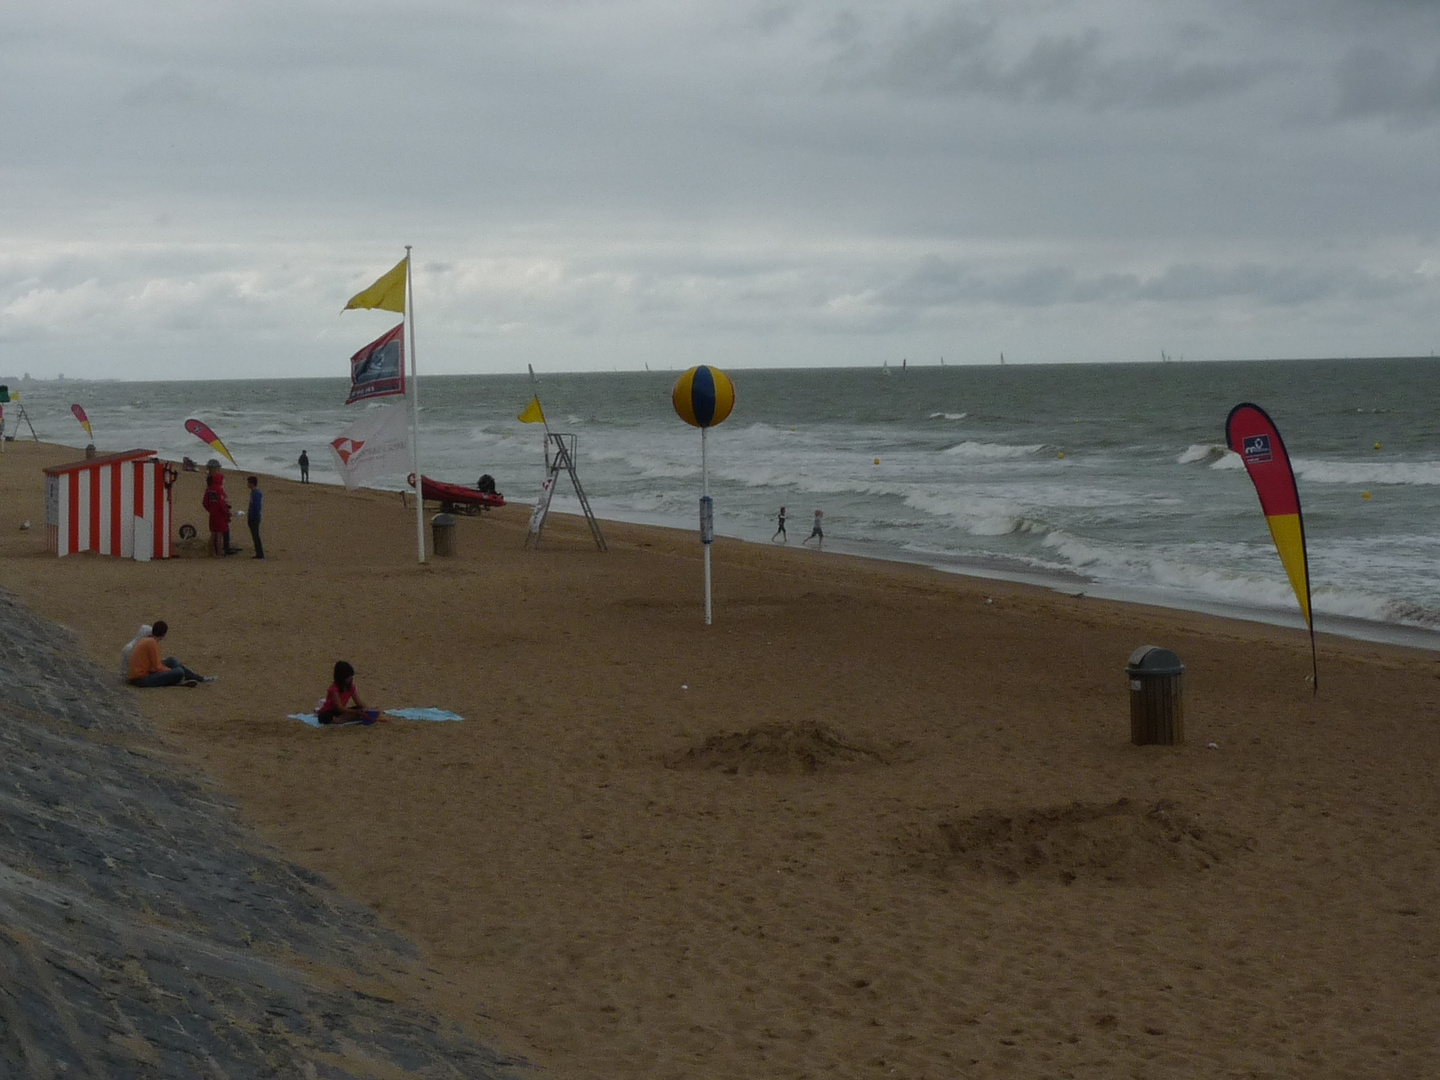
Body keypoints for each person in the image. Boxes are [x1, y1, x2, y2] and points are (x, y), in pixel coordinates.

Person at [127, 621, 213, 688]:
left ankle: (193, 677)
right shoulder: (152, 643)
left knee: (172, 660)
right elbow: (157, 667)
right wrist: (170, 670)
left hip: (139, 675)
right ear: (164, 634)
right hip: (141, 679)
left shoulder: (147, 640)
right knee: (179, 671)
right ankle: (184, 678)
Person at [202, 466, 230, 557]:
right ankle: (218, 553)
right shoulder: (219, 490)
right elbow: (222, 504)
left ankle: (211, 552)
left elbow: (205, 503)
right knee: (219, 535)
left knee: (213, 534)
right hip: (220, 515)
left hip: (213, 514)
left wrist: (210, 509)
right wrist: (227, 513)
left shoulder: (209, 489)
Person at [246, 475, 265, 559]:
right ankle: (258, 553)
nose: (247, 484)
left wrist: (253, 516)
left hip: (254, 518)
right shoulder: (253, 493)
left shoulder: (256, 493)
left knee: (256, 536)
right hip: (252, 517)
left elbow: (257, 507)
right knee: (255, 536)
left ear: (252, 484)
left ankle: (260, 554)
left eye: (249, 483)